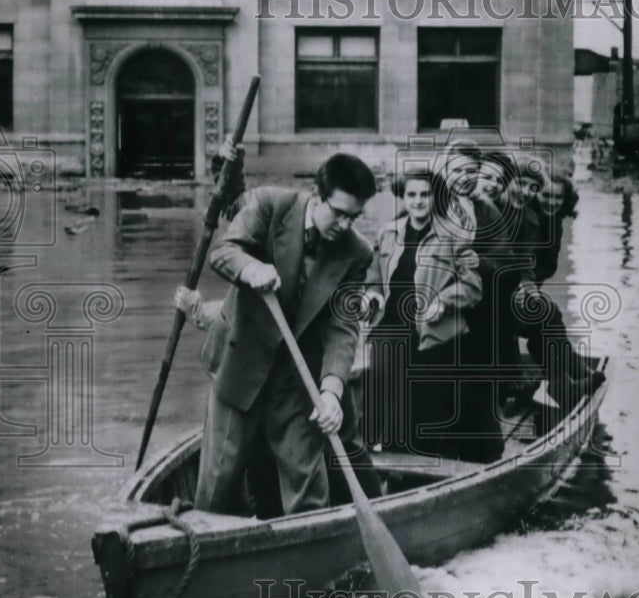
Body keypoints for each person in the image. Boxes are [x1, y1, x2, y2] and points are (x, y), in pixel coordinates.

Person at [195, 152, 377, 516]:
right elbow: (223, 251)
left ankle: (310, 555)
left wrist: (331, 392)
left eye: (353, 217)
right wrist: (250, 268)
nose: (344, 225)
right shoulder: (269, 205)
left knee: (307, 481)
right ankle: (207, 547)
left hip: (298, 378)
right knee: (219, 481)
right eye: (338, 213)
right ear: (315, 193)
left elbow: (342, 328)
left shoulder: (358, 252)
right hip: (241, 363)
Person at [175, 284, 381, 512]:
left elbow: (341, 328)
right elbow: (240, 308)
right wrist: (197, 310)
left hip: (313, 370)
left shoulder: (336, 266)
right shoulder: (259, 265)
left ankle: (374, 508)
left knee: (338, 443)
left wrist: (332, 389)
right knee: (254, 457)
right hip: (254, 374)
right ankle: (266, 520)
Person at [362, 168, 489, 460]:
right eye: (411, 195)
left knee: (420, 417)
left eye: (425, 194)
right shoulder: (388, 232)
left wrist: (443, 301)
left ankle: (417, 470)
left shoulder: (454, 234)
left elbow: (473, 286)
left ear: (435, 198)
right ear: (403, 198)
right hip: (391, 327)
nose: (418, 201)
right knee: (378, 400)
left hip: (433, 335)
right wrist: (371, 295)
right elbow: (374, 276)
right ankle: (377, 465)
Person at [469, 149, 603, 412]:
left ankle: (559, 383)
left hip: (501, 292)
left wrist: (527, 288)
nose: (524, 192)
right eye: (519, 183)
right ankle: (555, 383)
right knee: (543, 313)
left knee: (543, 311)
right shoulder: (488, 209)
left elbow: (526, 262)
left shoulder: (529, 218)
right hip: (479, 294)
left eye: (532, 188)